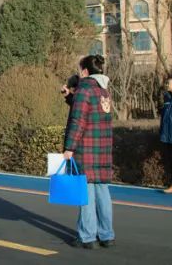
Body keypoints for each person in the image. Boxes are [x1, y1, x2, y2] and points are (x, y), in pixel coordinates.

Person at [63, 55, 115, 249]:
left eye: (79, 70)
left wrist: (69, 148)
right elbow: (90, 111)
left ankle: (87, 236)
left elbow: (78, 121)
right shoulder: (103, 91)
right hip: (102, 148)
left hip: (86, 149)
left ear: (84, 71)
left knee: (85, 193)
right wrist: (69, 97)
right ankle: (106, 234)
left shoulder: (84, 90)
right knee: (102, 192)